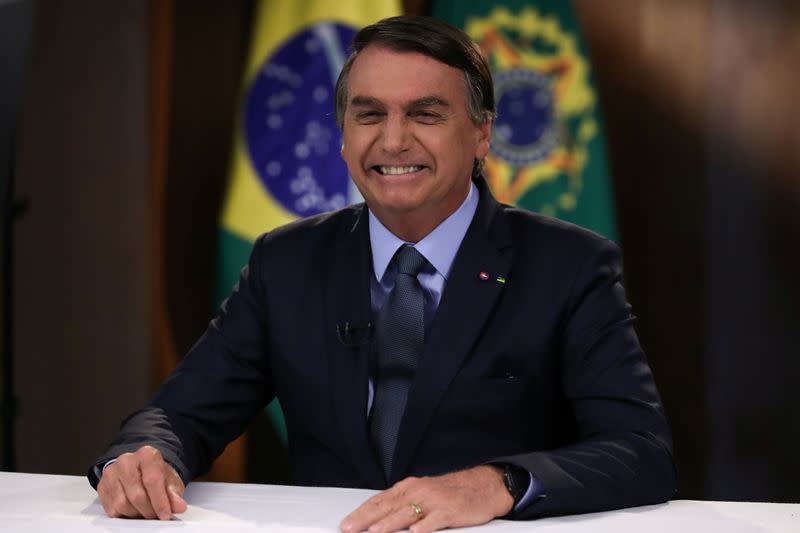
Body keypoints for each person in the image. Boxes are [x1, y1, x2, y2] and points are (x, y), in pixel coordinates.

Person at [89, 16, 676, 532]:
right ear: (343, 137)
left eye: (426, 114)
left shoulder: (569, 266)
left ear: (481, 133)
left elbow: (639, 452)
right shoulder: (287, 262)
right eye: (369, 114)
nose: (393, 140)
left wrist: (494, 484)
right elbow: (180, 413)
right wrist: (143, 454)